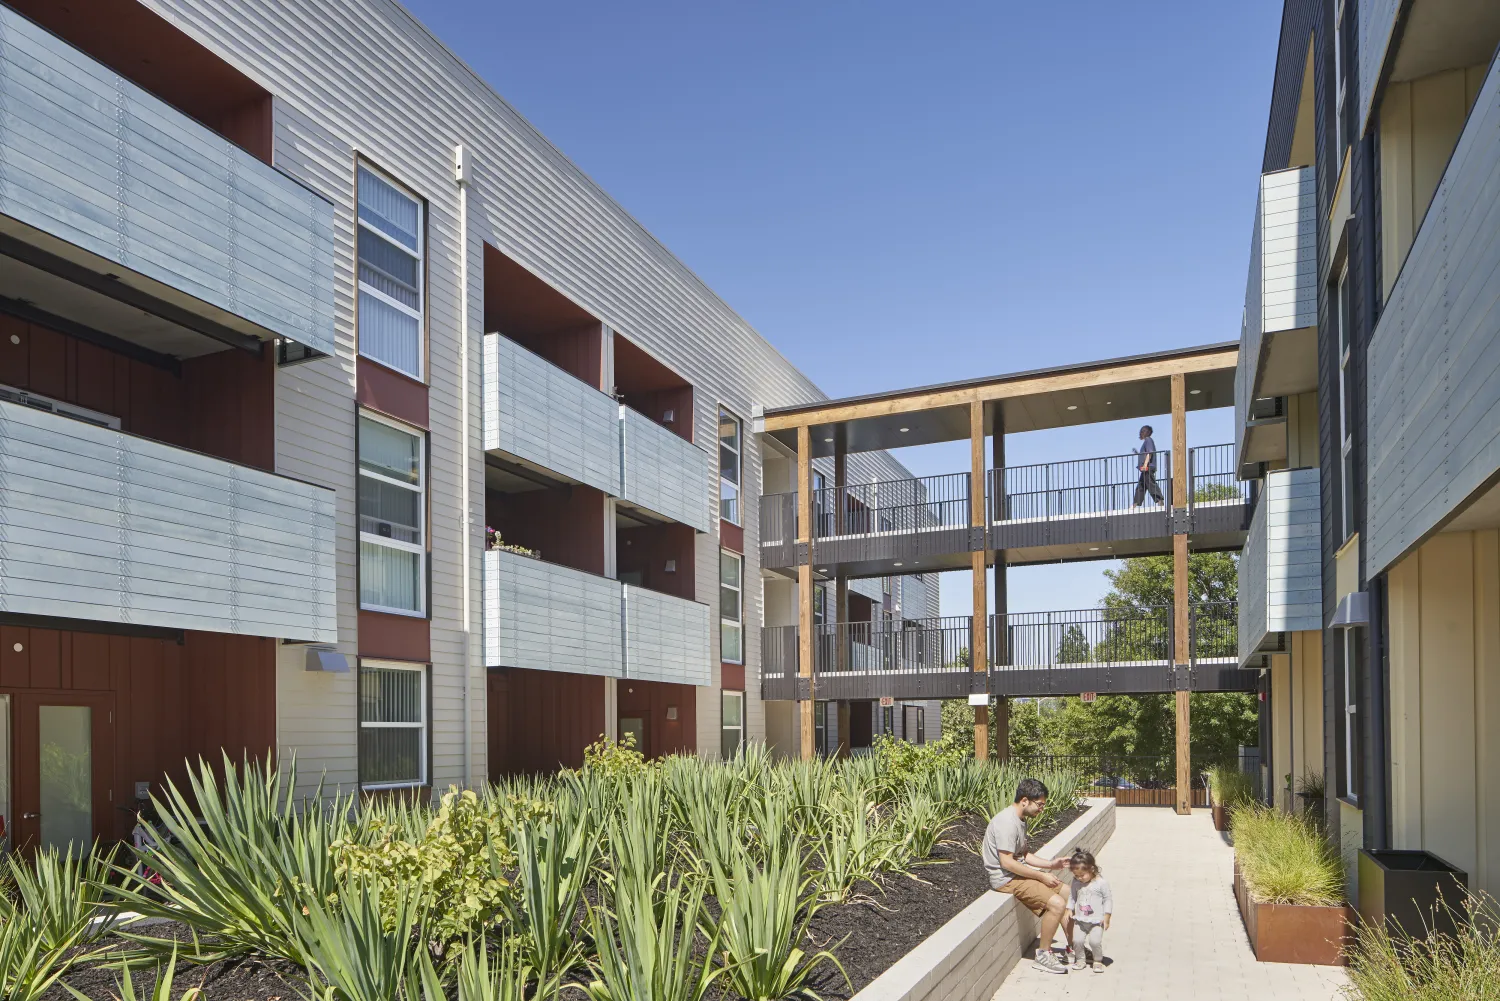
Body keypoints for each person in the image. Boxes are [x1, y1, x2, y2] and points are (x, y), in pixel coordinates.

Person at [982, 777, 1074, 975]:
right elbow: (1006, 862)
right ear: (1025, 800)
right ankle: (1043, 955)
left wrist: (1051, 864)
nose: (1041, 809)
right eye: (1039, 805)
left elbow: (1023, 855)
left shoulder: (1020, 820)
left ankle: (1074, 948)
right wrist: (1041, 877)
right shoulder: (1006, 822)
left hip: (1017, 873)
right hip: (1006, 878)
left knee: (1068, 893)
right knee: (1057, 904)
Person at [1066, 849, 1112, 972]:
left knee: (1095, 941)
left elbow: (1108, 900)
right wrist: (1069, 908)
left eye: (1082, 875)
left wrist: (1107, 917)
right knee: (1077, 941)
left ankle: (1097, 960)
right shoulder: (1076, 882)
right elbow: (1072, 896)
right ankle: (1080, 959)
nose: (1079, 878)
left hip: (1097, 921)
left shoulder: (1101, 883)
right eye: (1076, 875)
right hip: (1080, 920)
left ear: (1091, 869)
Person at [1132, 424, 1164, 507]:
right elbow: (1145, 454)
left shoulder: (1148, 440)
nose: (1140, 434)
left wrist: (1145, 465)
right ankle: (1135, 504)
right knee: (1141, 486)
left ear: (1144, 432)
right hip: (1145, 467)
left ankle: (1160, 501)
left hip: (1147, 467)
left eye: (1141, 432)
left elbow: (1150, 452)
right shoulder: (1147, 441)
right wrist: (1138, 454)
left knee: (1150, 484)